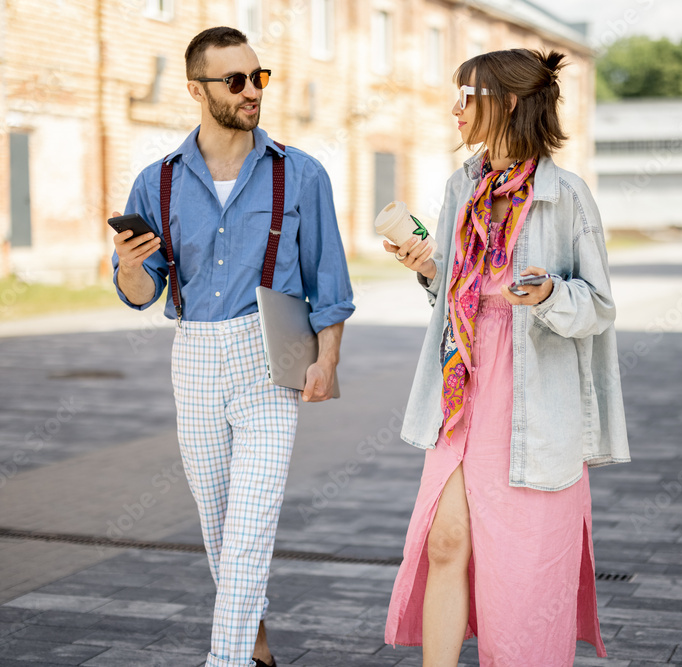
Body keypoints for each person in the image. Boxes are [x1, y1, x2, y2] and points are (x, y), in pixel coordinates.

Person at [110, 27, 354, 667]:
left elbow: (330, 281)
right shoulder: (156, 183)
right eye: (236, 81)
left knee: (249, 530)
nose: (253, 92)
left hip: (270, 359)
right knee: (220, 531)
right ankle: (260, 652)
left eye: (259, 77)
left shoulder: (300, 174)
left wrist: (327, 360)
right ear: (197, 89)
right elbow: (141, 292)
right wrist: (130, 266)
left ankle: (226, 660)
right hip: (193, 356)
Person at [382, 48, 630, 665]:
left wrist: (549, 294)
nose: (455, 109)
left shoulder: (566, 196)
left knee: (520, 573)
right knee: (445, 542)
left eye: (468, 96)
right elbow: (461, 289)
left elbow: (598, 307)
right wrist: (429, 268)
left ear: (510, 103)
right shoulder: (461, 186)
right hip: (464, 385)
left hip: (535, 394)